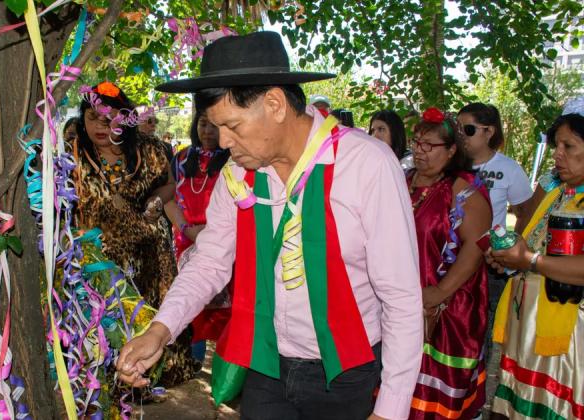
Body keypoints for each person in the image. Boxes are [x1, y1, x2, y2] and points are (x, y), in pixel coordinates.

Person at [117, 31, 423, 420]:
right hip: (266, 363)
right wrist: (159, 331)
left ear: (275, 104)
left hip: (346, 371)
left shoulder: (366, 166)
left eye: (232, 125)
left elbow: (401, 298)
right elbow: (210, 262)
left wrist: (390, 411)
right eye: (214, 127)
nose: (223, 141)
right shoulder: (236, 175)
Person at [74, 81, 199, 387]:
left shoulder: (150, 149)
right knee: (107, 326)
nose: (102, 127)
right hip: (101, 261)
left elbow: (169, 186)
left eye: (110, 119)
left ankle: (151, 381)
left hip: (150, 258)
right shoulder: (72, 154)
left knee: (154, 322)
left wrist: (157, 199)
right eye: (93, 118)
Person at [486, 98, 584, 420]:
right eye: (557, 145)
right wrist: (509, 258)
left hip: (569, 345)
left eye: (569, 146)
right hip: (528, 332)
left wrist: (529, 261)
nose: (557, 154)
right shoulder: (558, 193)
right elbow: (530, 244)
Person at [406, 108, 492, 419]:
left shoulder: (462, 190)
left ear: (452, 150)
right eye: (416, 143)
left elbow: (477, 245)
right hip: (401, 302)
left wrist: (440, 291)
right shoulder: (402, 181)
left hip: (448, 308)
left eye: (430, 145)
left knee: (431, 399)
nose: (420, 151)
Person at [167, 111, 231, 362]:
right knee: (192, 302)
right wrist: (187, 229)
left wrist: (212, 232)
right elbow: (169, 200)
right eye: (203, 124)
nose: (208, 131)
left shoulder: (234, 160)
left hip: (224, 242)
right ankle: (193, 362)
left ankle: (227, 366)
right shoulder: (182, 158)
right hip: (186, 241)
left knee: (228, 309)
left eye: (215, 126)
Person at [458, 103, 533, 233]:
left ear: (489, 132)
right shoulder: (450, 165)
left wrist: (513, 246)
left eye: (468, 130)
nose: (461, 135)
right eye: (458, 130)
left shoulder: (509, 168)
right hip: (451, 250)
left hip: (491, 250)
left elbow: (525, 214)